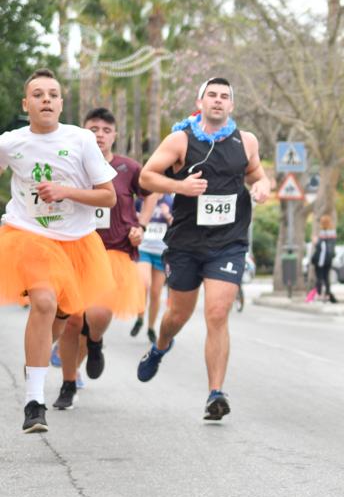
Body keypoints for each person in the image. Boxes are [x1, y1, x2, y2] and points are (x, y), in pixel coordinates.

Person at [136, 77, 270, 421]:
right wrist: (180, 185)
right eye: (212, 95)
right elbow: (147, 178)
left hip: (229, 243)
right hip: (185, 244)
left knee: (217, 313)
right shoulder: (181, 139)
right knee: (177, 316)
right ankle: (161, 345)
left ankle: (215, 393)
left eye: (225, 96)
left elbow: (256, 174)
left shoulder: (246, 141)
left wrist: (262, 186)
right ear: (200, 101)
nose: (218, 101)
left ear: (232, 105)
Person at [0, 69, 117, 432]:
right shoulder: (10, 142)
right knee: (45, 302)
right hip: (29, 235)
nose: (46, 99)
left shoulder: (81, 140)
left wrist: (67, 191)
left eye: (52, 94)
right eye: (38, 94)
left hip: (76, 242)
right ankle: (34, 402)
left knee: (64, 315)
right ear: (26, 104)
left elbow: (108, 196)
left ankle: (36, 361)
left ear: (62, 104)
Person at [53, 108, 149, 410]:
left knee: (98, 315)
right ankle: (68, 383)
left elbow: (153, 191)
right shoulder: (71, 166)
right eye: (93, 129)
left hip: (114, 253)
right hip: (76, 250)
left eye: (106, 130)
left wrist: (141, 225)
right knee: (71, 320)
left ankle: (94, 341)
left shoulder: (127, 168)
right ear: (83, 132)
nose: (99, 135)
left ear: (115, 135)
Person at [132, 193, 173, 343]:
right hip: (144, 249)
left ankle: (150, 327)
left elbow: (177, 224)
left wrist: (167, 214)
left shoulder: (170, 200)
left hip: (161, 252)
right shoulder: (142, 199)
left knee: (156, 293)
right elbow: (132, 222)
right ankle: (140, 317)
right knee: (144, 284)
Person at [311, 214, 338, 303]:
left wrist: (315, 241)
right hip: (329, 259)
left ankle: (318, 294)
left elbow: (320, 246)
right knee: (326, 277)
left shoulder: (322, 233)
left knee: (319, 277)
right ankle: (326, 295)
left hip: (320, 259)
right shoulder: (333, 233)